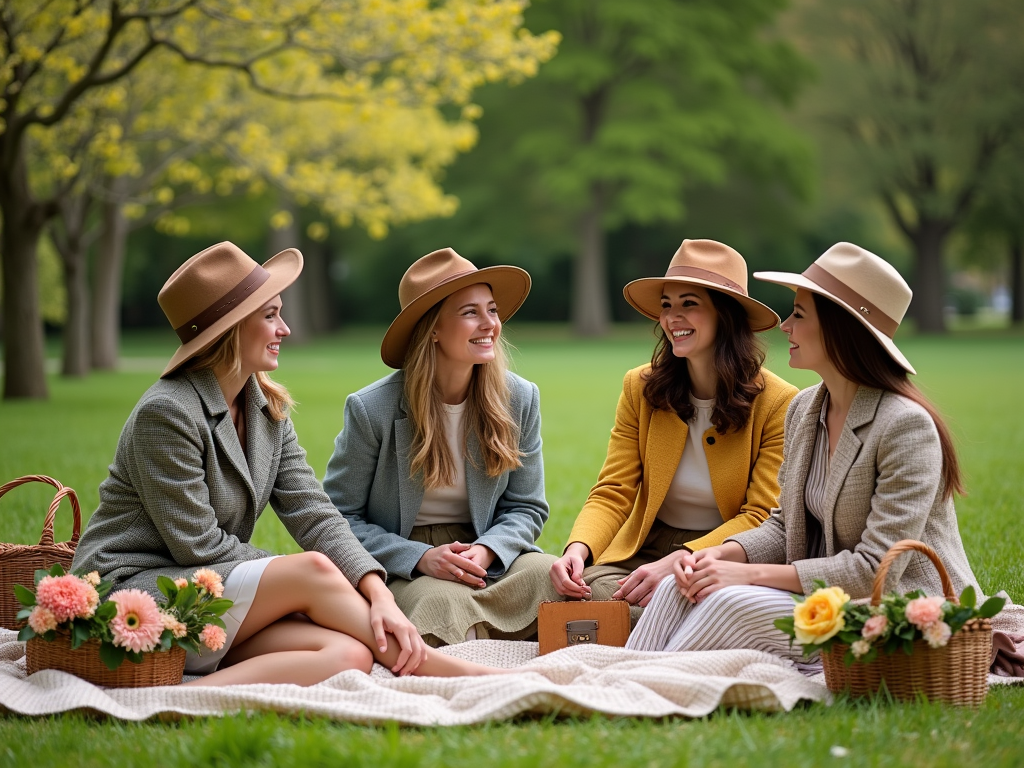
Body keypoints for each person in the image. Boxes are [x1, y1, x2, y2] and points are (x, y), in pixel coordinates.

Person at [72, 242, 496, 685]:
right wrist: (294, 584)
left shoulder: (266, 410)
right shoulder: (168, 412)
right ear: (231, 328)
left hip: (205, 599)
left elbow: (315, 513)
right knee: (311, 569)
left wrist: (376, 592)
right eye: (270, 315)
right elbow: (197, 547)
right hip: (131, 598)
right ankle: (443, 669)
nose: (285, 329)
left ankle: (176, 700)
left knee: (346, 653)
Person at [627, 242, 982, 659]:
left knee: (727, 600)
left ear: (839, 326)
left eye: (799, 314)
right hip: (822, 596)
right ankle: (629, 671)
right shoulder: (805, 408)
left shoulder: (906, 427)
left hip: (899, 610)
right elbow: (783, 526)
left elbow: (873, 571)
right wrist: (715, 555)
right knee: (680, 584)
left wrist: (745, 574)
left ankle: (650, 676)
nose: (785, 327)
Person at [548, 239, 798, 626]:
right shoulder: (640, 387)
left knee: (707, 604)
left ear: (725, 315)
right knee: (589, 595)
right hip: (647, 547)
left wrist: (680, 561)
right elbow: (613, 490)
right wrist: (577, 549)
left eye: (689, 304)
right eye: (667, 305)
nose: (672, 318)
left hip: (725, 553)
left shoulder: (778, 402)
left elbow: (760, 517)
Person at [323, 247, 561, 646]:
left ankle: (504, 647)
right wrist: (418, 557)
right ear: (433, 328)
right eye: (470, 312)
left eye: (492, 310)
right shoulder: (371, 409)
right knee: (442, 604)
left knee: (549, 576)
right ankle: (475, 667)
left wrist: (487, 550)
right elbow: (338, 518)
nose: (489, 324)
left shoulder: (519, 399)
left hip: (487, 551)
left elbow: (527, 506)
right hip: (405, 561)